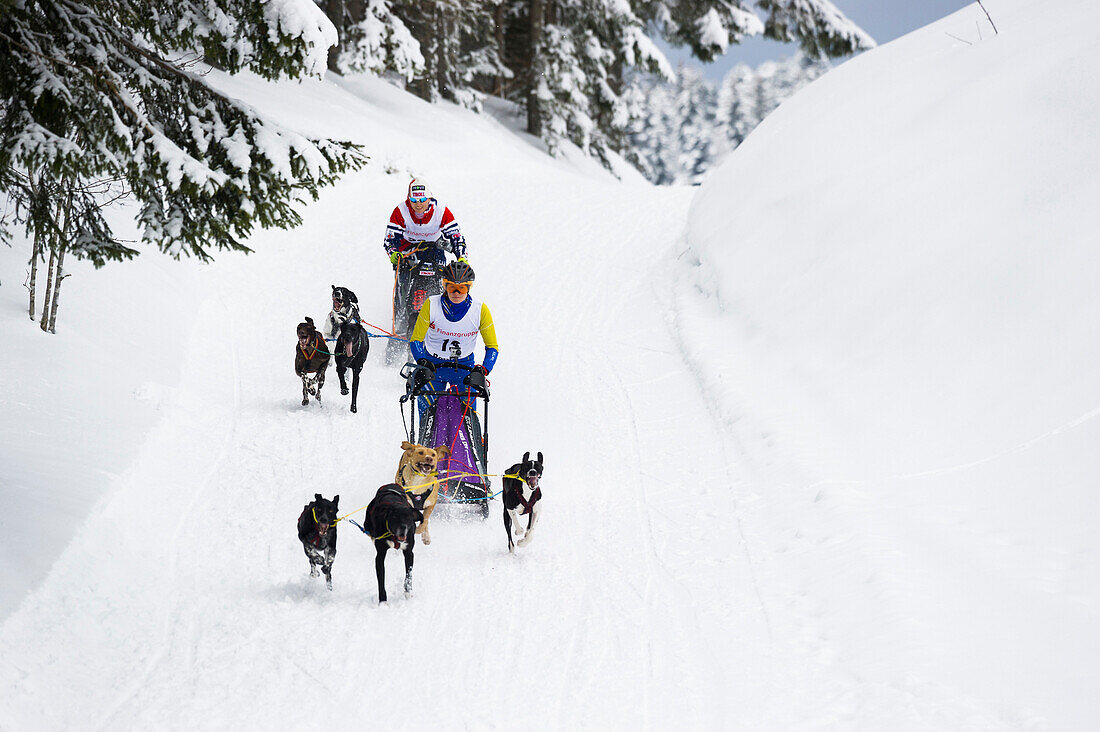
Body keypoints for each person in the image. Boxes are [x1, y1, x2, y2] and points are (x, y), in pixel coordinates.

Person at [408, 260, 498, 419]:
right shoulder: (431, 304)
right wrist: (422, 361)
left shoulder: (480, 310)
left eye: (462, 288)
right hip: (433, 367)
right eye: (451, 287)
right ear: (444, 285)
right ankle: (424, 442)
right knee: (427, 418)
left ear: (469, 287)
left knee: (468, 419)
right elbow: (416, 340)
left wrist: (483, 370)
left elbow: (492, 347)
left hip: (464, 369)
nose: (456, 293)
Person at [383, 178, 468, 268]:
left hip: (434, 248)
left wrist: (462, 257)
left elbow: (456, 235)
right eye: (414, 200)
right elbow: (390, 238)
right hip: (408, 249)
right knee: (405, 277)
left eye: (422, 199)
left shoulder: (441, 211)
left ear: (429, 198)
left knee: (439, 276)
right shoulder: (400, 211)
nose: (418, 204)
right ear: (409, 199)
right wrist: (393, 253)